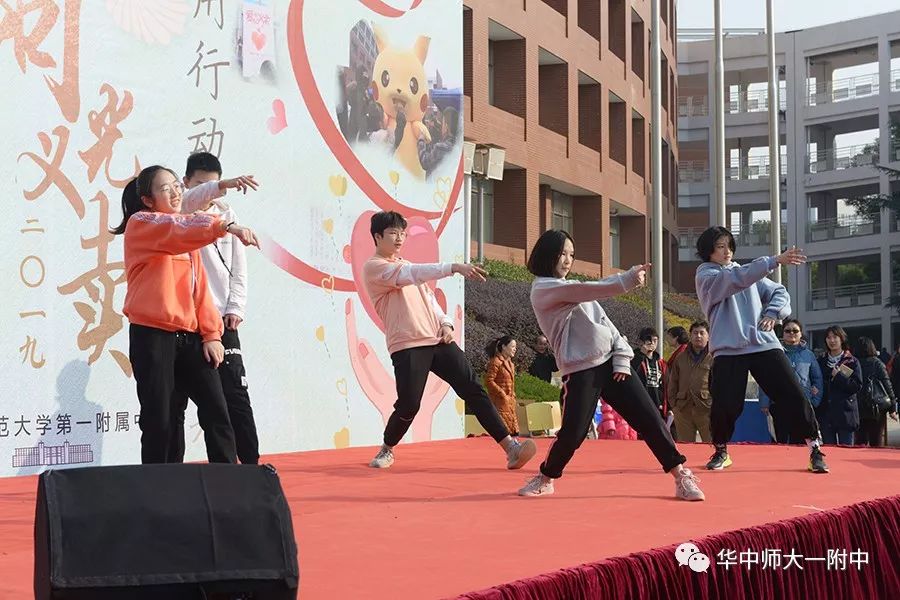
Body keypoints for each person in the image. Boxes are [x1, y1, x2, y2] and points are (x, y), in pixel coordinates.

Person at [518, 229, 704, 501]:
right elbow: (585, 289)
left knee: (651, 419)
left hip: (612, 366)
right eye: (562, 253)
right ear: (548, 254)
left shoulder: (576, 290)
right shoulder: (544, 289)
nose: (567, 260)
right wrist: (626, 280)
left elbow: (609, 328)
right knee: (573, 433)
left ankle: (681, 475)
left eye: (571, 254)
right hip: (581, 371)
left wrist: (621, 360)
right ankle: (546, 477)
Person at [363, 211, 536, 470]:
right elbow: (410, 273)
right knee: (409, 404)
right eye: (393, 233)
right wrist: (453, 267)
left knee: (473, 389)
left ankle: (511, 448)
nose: (400, 238)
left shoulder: (407, 267)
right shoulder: (376, 267)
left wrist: (446, 323)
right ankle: (387, 448)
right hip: (408, 343)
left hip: (438, 340)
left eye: (403, 233)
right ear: (377, 237)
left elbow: (430, 300)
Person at [112, 165, 259, 464]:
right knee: (160, 418)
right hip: (152, 335)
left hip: (190, 336)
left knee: (217, 410)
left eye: (176, 185)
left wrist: (211, 334)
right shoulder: (142, 224)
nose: (176, 192)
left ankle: (229, 485)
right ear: (148, 200)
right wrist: (226, 227)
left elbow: (200, 289)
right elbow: (177, 228)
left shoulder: (187, 235)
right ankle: (159, 491)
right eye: (165, 188)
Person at [694, 226, 827, 473]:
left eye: (729, 246)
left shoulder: (745, 273)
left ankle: (815, 448)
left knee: (793, 393)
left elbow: (779, 291)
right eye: (721, 246)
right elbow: (735, 280)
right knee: (726, 404)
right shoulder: (707, 276)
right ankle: (721, 450)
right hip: (728, 348)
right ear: (708, 250)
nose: (727, 251)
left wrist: (772, 313)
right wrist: (774, 260)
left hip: (763, 344)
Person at [168, 152, 261, 464]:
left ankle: (250, 468)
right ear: (186, 184)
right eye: (200, 186)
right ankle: (170, 474)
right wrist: (221, 185)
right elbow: (191, 201)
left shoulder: (227, 214)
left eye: (213, 185)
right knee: (175, 404)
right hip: (184, 323)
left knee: (234, 397)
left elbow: (238, 266)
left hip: (221, 321)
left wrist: (236, 305)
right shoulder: (178, 212)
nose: (209, 193)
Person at [758, 318, 823, 444]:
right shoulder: (775, 353)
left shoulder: (809, 355)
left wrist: (815, 400)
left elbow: (817, 379)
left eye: (795, 330)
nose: (791, 333)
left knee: (800, 441)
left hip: (802, 403)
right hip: (778, 403)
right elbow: (765, 378)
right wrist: (764, 402)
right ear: (783, 334)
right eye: (788, 331)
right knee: (779, 440)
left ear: (801, 333)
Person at [667, 320, 714, 443]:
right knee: (685, 446)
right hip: (683, 409)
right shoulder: (680, 357)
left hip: (707, 409)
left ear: (708, 336)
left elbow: (722, 384)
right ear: (690, 336)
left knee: (712, 444)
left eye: (701, 333)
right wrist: (674, 406)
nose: (698, 336)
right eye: (695, 333)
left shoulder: (714, 357)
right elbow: (672, 382)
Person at [817, 326, 862, 446]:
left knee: (846, 453)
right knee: (829, 452)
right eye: (828, 337)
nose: (832, 340)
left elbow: (856, 386)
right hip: (826, 415)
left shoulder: (852, 361)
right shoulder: (821, 361)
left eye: (835, 337)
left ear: (841, 339)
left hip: (845, 414)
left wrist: (839, 377)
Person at [855, 337, 898, 447]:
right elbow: (887, 385)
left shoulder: (854, 363)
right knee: (876, 441)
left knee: (860, 441)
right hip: (877, 407)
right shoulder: (877, 363)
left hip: (858, 407)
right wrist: (893, 407)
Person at [484, 336, 520, 437]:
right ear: (504, 347)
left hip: (510, 403)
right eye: (512, 346)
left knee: (514, 433)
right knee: (504, 433)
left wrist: (512, 396)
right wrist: (502, 393)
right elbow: (488, 381)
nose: (515, 349)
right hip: (499, 402)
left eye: (515, 347)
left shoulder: (511, 364)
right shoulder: (496, 361)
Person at [631, 327, 667, 419]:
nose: (652, 343)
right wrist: (641, 354)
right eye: (649, 340)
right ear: (641, 341)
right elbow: (631, 373)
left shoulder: (660, 362)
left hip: (658, 405)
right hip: (641, 404)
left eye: (655, 340)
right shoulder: (633, 358)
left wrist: (667, 406)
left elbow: (666, 385)